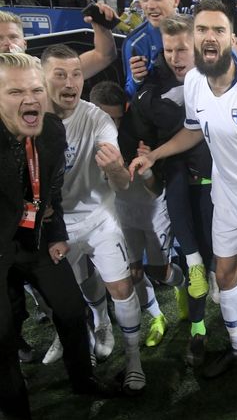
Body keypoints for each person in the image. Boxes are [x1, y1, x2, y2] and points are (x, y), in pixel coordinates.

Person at [129, 0, 237, 409]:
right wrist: (156, 154)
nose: (209, 37)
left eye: (218, 30)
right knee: (224, 274)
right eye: (202, 30)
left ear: (231, 40)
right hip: (225, 195)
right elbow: (194, 131)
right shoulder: (192, 83)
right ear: (193, 37)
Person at [0, 53, 118, 420]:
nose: (30, 99)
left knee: (71, 309)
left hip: (33, 242)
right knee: (2, 336)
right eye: (15, 91)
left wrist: (56, 233)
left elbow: (50, 192)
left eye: (35, 89)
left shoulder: (51, 131)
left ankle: (83, 379)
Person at [42, 44, 145, 395]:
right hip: (54, 227)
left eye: (76, 74)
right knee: (67, 298)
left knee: (121, 287)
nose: (70, 82)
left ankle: (134, 361)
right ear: (43, 77)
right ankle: (95, 329)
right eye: (60, 75)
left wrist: (116, 169)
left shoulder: (97, 119)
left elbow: (122, 182)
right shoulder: (30, 115)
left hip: (100, 217)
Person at [127, 14, 221, 364]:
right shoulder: (149, 92)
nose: (176, 57)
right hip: (182, 185)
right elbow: (142, 144)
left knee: (226, 259)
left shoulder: (224, 78)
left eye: (183, 49)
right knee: (193, 260)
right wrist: (145, 163)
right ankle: (198, 330)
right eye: (169, 50)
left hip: (221, 183)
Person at [90, 81, 181, 349]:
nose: (113, 125)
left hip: (153, 212)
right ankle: (157, 317)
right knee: (134, 272)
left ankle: (183, 287)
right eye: (107, 118)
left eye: (118, 117)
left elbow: (156, 189)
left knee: (161, 272)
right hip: (120, 214)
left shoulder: (141, 133)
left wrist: (149, 169)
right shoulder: (86, 136)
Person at [0, 9, 117, 78]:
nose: (7, 43)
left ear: (24, 43)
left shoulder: (44, 71)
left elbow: (103, 56)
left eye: (13, 37)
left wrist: (101, 25)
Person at [123, 0, 180, 97]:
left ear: (175, 0)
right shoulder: (134, 43)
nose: (150, 6)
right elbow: (129, 95)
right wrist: (137, 80)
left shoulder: (199, 31)